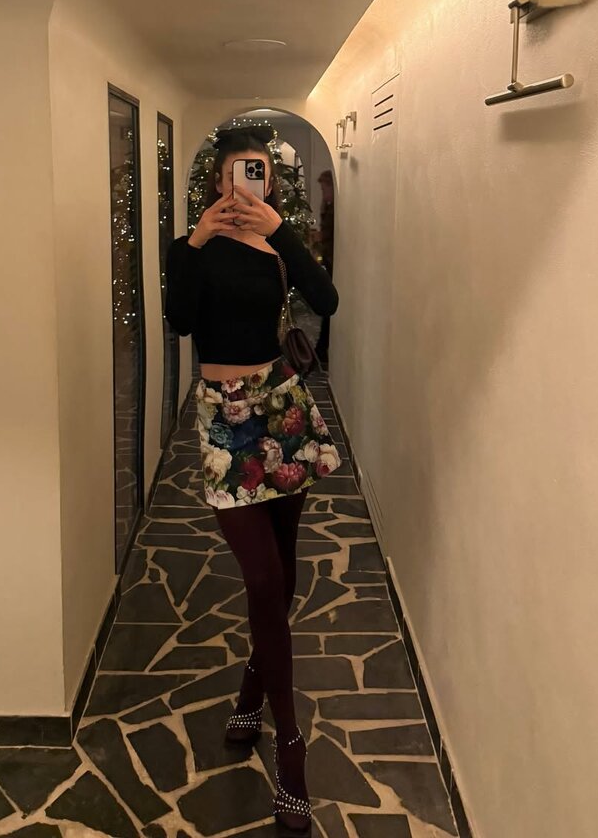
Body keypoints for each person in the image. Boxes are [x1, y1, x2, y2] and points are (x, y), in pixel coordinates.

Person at [164, 124, 342, 835]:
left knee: (284, 573)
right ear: (218, 181)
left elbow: (326, 300)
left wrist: (282, 234)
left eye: (262, 171)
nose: (251, 180)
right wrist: (197, 241)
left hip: (281, 409)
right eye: (241, 170)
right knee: (262, 579)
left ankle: (250, 689)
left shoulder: (277, 245)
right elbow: (180, 321)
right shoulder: (190, 249)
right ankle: (290, 747)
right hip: (222, 419)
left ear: (271, 181)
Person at [314, 169, 335, 363]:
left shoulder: (334, 210)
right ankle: (322, 347)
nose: (323, 193)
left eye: (324, 188)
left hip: (332, 260)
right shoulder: (328, 207)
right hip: (329, 259)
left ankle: (322, 347)